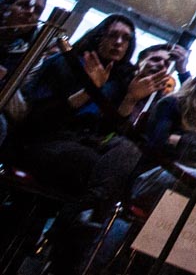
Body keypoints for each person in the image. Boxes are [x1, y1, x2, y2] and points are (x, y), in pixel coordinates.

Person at [14, 14, 171, 195]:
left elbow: (106, 131)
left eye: (126, 38)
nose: (119, 42)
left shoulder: (121, 78)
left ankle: (90, 211)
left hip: (83, 143)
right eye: (113, 35)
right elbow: (38, 118)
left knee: (128, 151)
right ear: (98, 36)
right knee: (88, 161)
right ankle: (85, 212)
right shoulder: (65, 62)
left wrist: (131, 99)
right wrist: (90, 89)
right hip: (43, 139)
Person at [0, 0, 45, 80]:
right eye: (24, 5)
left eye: (37, 11)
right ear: (4, 8)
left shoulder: (29, 58)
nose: (30, 12)